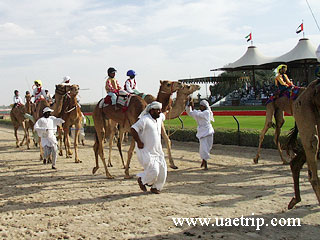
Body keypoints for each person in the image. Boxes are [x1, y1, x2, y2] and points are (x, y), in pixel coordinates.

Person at [131, 101, 167, 194]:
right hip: (147, 152)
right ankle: (142, 179)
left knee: (163, 173)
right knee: (154, 171)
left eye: (160, 110)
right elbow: (133, 129)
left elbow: (165, 113)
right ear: (151, 111)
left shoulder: (159, 119)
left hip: (158, 151)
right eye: (157, 110)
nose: (159, 112)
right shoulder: (145, 119)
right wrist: (138, 142)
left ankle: (155, 188)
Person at [186, 99, 214, 170]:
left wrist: (193, 108)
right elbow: (190, 113)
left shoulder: (206, 113)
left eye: (202, 106)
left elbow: (197, 114)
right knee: (203, 148)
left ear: (205, 107)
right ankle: (205, 162)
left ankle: (204, 160)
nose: (201, 107)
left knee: (208, 147)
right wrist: (189, 107)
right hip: (202, 132)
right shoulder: (198, 112)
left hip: (208, 131)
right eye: (200, 106)